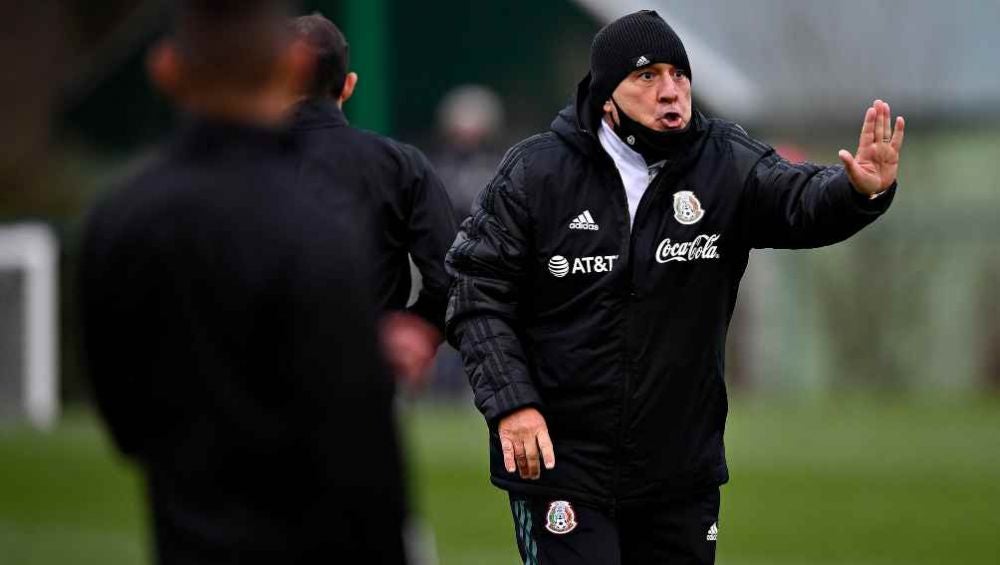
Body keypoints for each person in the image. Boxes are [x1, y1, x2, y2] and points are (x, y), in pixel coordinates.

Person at [445, 10, 904, 565]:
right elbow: (475, 290)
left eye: (679, 75)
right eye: (647, 76)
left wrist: (857, 192)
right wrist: (512, 404)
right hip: (562, 468)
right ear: (607, 97)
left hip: (678, 475)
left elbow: (798, 198)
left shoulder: (725, 161)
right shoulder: (537, 174)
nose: (670, 91)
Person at [79, 2, 407, 563]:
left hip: (185, 539)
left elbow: (125, 422)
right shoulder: (317, 225)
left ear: (165, 69)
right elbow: (359, 438)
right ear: (293, 67)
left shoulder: (119, 218)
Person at [288, 13, 457, 387]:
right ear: (349, 85)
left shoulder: (231, 165)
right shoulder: (401, 165)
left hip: (254, 380)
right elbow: (451, 278)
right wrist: (414, 330)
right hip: (363, 375)